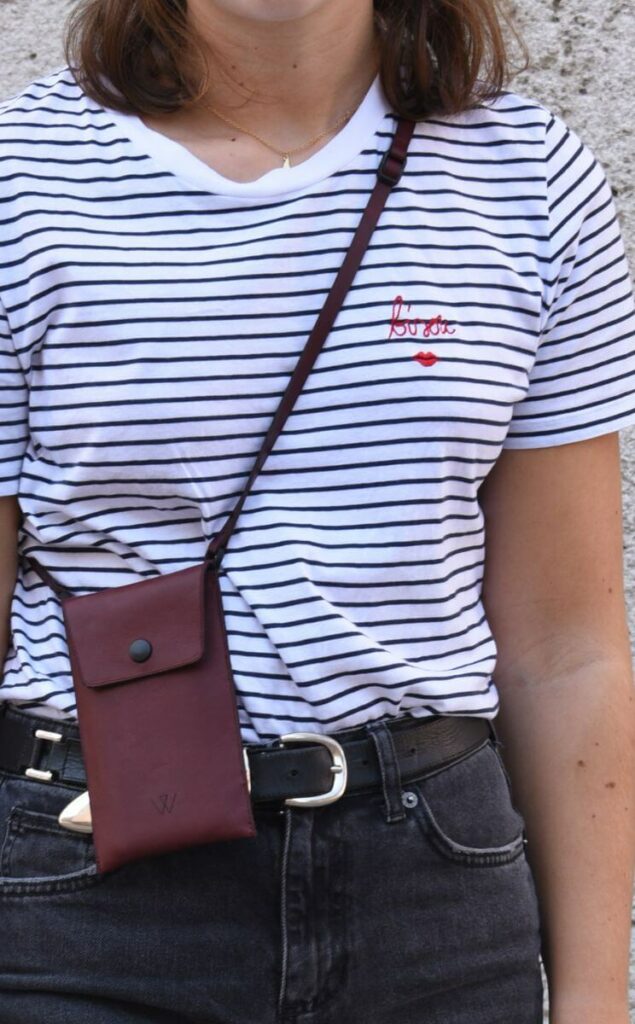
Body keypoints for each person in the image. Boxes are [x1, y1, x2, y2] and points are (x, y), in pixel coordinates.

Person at [0, 0, 633, 1021]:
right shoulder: (25, 178)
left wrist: (595, 998)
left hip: (434, 899)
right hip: (92, 888)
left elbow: (565, 650)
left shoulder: (525, 176)